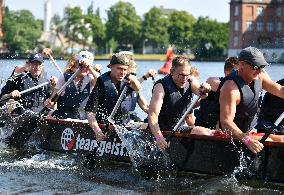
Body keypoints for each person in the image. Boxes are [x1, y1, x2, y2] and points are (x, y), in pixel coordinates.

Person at [218, 47, 284, 154]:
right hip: (229, 136)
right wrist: (247, 140)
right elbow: (226, 123)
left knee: (282, 139)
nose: (259, 70)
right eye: (256, 66)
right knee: (271, 140)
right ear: (242, 64)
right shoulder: (230, 88)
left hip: (249, 134)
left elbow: (280, 91)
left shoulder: (260, 76)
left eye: (262, 66)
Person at [148, 55, 214, 151]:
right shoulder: (160, 86)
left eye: (187, 75)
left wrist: (205, 88)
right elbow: (152, 115)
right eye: (181, 75)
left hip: (178, 128)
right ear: (172, 72)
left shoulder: (190, 81)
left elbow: (202, 94)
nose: (184, 79)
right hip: (160, 129)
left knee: (206, 132)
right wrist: (159, 137)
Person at [0, 53, 57, 147]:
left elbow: (52, 104)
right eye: (34, 64)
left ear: (42, 66)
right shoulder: (18, 79)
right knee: (32, 115)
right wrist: (11, 94)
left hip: (40, 115)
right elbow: (1, 99)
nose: (36, 67)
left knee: (55, 113)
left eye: (39, 64)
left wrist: (55, 88)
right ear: (29, 65)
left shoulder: (47, 81)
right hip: (23, 116)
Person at [85, 53, 141, 141]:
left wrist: (132, 78)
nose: (122, 72)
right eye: (119, 69)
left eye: (125, 69)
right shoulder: (101, 84)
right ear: (111, 67)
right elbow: (90, 112)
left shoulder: (128, 81)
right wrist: (97, 130)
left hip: (125, 122)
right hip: (105, 123)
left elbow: (138, 87)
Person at [48, 51, 102, 119]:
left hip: (83, 118)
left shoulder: (91, 78)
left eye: (87, 66)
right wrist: (50, 100)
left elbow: (101, 82)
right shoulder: (64, 77)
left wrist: (90, 68)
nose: (84, 68)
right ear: (77, 64)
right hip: (64, 117)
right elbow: (52, 100)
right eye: (81, 65)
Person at [194, 57, 238, 129]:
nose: (239, 77)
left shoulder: (237, 88)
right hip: (205, 126)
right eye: (235, 72)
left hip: (221, 126)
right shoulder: (213, 81)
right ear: (226, 72)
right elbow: (225, 88)